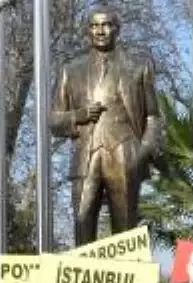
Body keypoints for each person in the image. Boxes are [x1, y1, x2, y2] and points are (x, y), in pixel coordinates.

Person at [50, 5, 163, 244]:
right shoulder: (70, 71)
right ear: (88, 31)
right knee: (82, 224)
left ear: (117, 29)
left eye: (106, 25)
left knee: (125, 232)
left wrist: (141, 154)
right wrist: (78, 115)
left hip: (124, 151)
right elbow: (53, 120)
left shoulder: (138, 68)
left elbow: (153, 117)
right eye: (94, 26)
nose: (100, 31)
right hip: (86, 154)